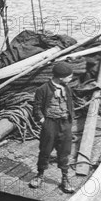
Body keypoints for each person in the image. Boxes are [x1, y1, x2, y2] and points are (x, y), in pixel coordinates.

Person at [30, 61, 75, 193]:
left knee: (64, 151)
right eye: (69, 77)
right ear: (61, 78)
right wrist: (43, 120)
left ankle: (65, 178)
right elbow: (36, 107)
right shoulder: (43, 89)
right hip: (50, 123)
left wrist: (70, 119)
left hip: (65, 123)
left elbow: (70, 104)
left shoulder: (67, 88)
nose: (71, 79)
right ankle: (40, 175)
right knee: (45, 150)